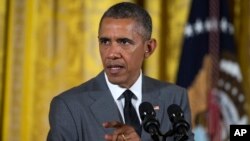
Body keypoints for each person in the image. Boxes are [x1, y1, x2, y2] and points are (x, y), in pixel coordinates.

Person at [47, 2, 194, 141]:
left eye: (124, 42)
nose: (111, 54)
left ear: (148, 48)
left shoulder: (174, 98)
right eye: (105, 42)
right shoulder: (69, 106)